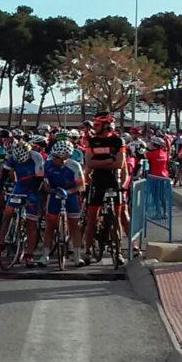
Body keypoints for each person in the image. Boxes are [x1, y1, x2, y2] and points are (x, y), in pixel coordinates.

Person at [83, 112, 126, 266]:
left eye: (97, 125)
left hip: (113, 181)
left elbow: (119, 164)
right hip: (97, 182)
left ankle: (118, 251)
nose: (94, 127)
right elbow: (89, 163)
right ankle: (88, 251)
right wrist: (109, 160)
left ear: (106, 125)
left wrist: (99, 163)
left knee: (116, 217)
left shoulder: (118, 141)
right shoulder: (91, 141)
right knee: (91, 217)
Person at [0, 140, 44, 266]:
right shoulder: (13, 157)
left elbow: (40, 179)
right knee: (7, 213)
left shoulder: (36, 157)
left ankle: (29, 255)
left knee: (31, 222)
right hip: (20, 186)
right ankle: (0, 246)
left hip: (34, 186)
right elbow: (4, 173)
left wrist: (34, 194)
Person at [42, 140, 86, 267]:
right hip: (55, 194)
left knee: (75, 225)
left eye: (57, 157)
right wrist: (51, 191)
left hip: (70, 195)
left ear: (65, 157)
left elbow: (81, 186)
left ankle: (77, 256)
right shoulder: (48, 165)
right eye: (53, 156)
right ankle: (45, 255)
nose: (54, 159)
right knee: (50, 225)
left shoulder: (74, 166)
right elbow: (45, 185)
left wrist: (69, 192)